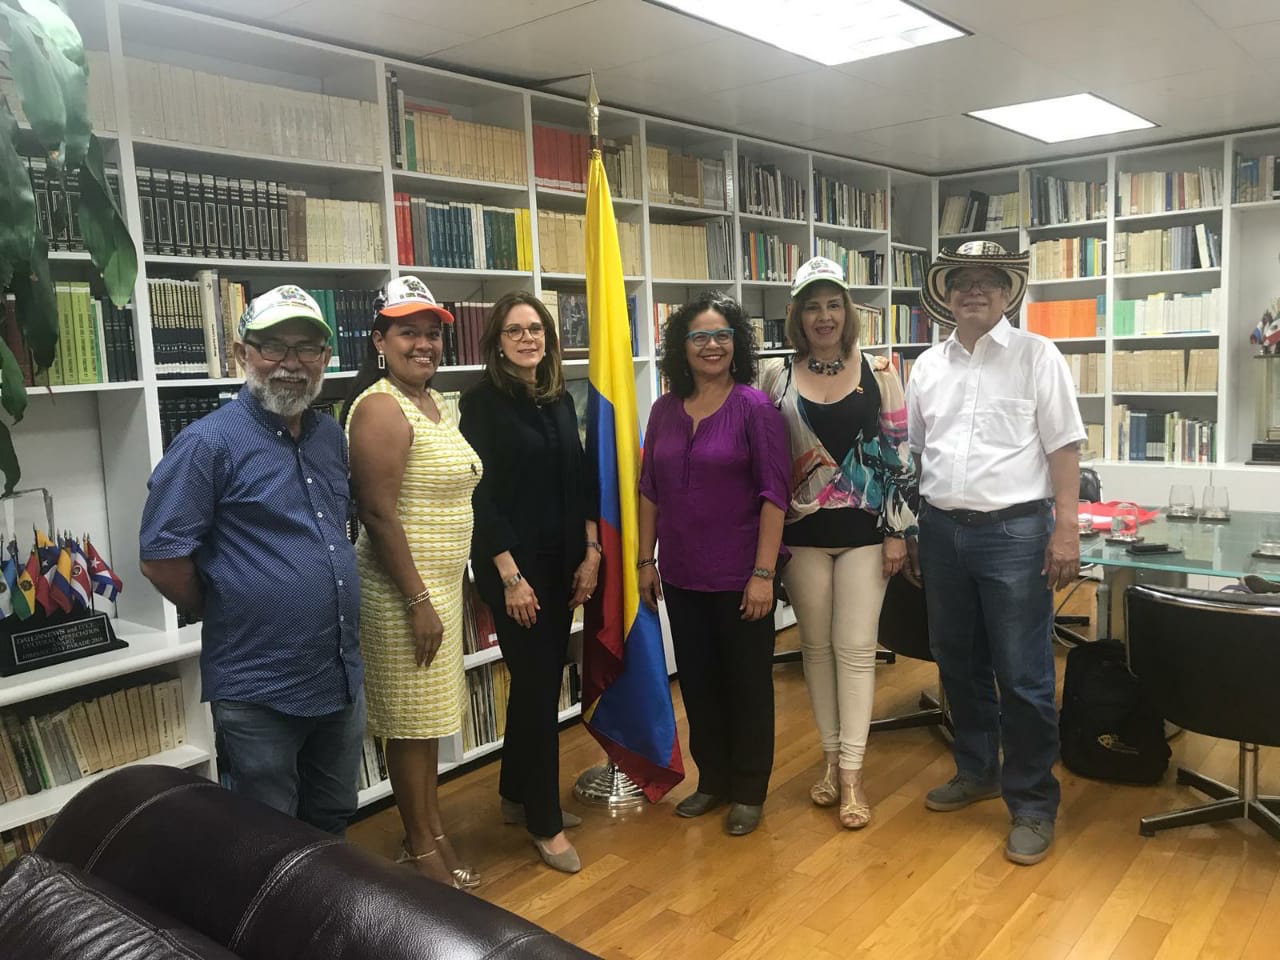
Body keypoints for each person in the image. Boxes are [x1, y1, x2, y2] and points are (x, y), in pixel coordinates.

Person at [139, 285, 364, 835]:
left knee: (333, 816)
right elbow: (161, 559)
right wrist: (230, 602)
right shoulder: (206, 444)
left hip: (337, 673)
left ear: (325, 360)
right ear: (242, 355)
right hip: (257, 684)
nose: (291, 364)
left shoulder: (330, 435)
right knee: (265, 831)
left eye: (307, 348)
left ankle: (319, 918)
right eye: (273, 348)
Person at [906, 241, 1086, 866]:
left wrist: (1067, 529)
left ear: (1009, 292)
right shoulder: (927, 365)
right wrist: (916, 530)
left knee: (1024, 674)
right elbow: (921, 451)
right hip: (941, 530)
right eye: (962, 281)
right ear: (946, 294)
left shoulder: (1039, 357)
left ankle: (1034, 803)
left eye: (988, 280)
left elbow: (1065, 447)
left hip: (1015, 533)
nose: (974, 290)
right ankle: (977, 769)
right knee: (956, 661)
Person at [759, 256, 917, 832]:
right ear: (796, 316)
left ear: (847, 312)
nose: (823, 316)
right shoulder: (774, 378)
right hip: (800, 537)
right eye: (811, 306)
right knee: (816, 652)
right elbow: (766, 463)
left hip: (864, 537)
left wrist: (899, 531)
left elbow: (901, 457)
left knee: (855, 650)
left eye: (833, 305)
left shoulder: (881, 371)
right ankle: (828, 762)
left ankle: (852, 775)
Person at [341, 277, 482, 888]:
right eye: (408, 332)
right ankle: (424, 849)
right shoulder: (379, 406)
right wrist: (419, 600)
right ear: (379, 340)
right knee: (409, 724)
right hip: (402, 593)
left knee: (428, 725)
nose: (423, 344)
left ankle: (432, 833)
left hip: (441, 586)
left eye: (432, 333)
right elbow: (377, 513)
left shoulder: (438, 402)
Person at [638, 290, 790, 838]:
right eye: (699, 335)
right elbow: (649, 489)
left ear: (737, 344)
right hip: (680, 572)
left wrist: (763, 573)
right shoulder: (662, 410)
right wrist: (644, 559)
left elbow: (776, 494)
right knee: (699, 684)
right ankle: (714, 780)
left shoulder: (755, 407)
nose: (711, 345)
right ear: (682, 346)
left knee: (746, 683)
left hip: (740, 575)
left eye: (722, 335)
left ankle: (749, 788)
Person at [458, 292, 598, 875]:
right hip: (513, 570)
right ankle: (545, 822)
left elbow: (581, 476)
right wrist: (510, 577)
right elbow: (480, 497)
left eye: (536, 329)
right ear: (496, 341)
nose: (527, 338)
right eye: (514, 330)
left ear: (549, 338)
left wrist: (591, 551)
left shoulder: (560, 398)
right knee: (541, 690)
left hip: (563, 563)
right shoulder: (479, 404)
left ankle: (517, 793)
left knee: (537, 684)